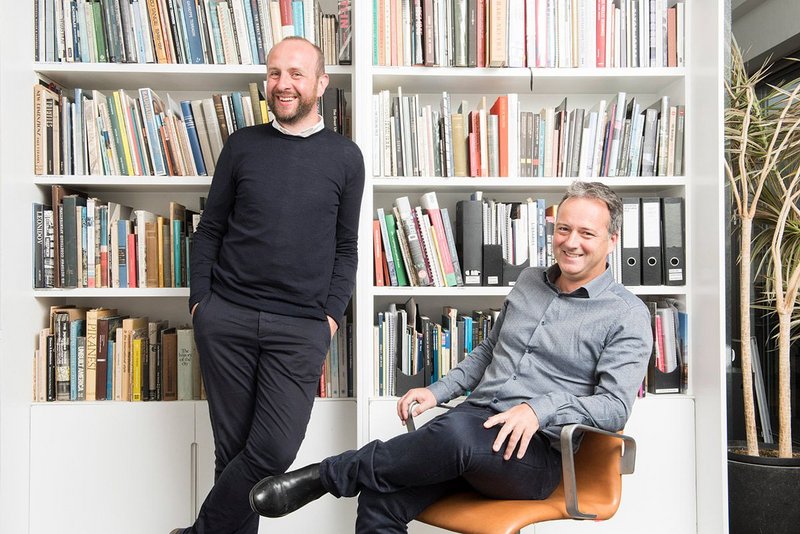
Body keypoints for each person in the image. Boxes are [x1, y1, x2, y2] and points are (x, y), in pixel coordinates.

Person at [249, 181, 654, 533]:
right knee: (380, 496)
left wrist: (539, 409)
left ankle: (328, 474)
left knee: (455, 435)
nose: (571, 242)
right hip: (470, 428)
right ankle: (349, 475)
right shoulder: (531, 280)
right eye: (563, 229)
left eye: (586, 233)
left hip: (533, 455)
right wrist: (438, 392)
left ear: (611, 240)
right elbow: (489, 351)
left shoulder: (626, 313)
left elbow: (614, 407)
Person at [174, 36, 365, 534]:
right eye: (275, 73)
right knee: (233, 453)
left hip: (300, 328)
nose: (283, 84)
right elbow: (210, 229)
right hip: (227, 318)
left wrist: (329, 316)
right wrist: (201, 304)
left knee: (273, 451)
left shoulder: (346, 157)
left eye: (296, 73)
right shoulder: (242, 145)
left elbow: (346, 246)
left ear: (320, 83)